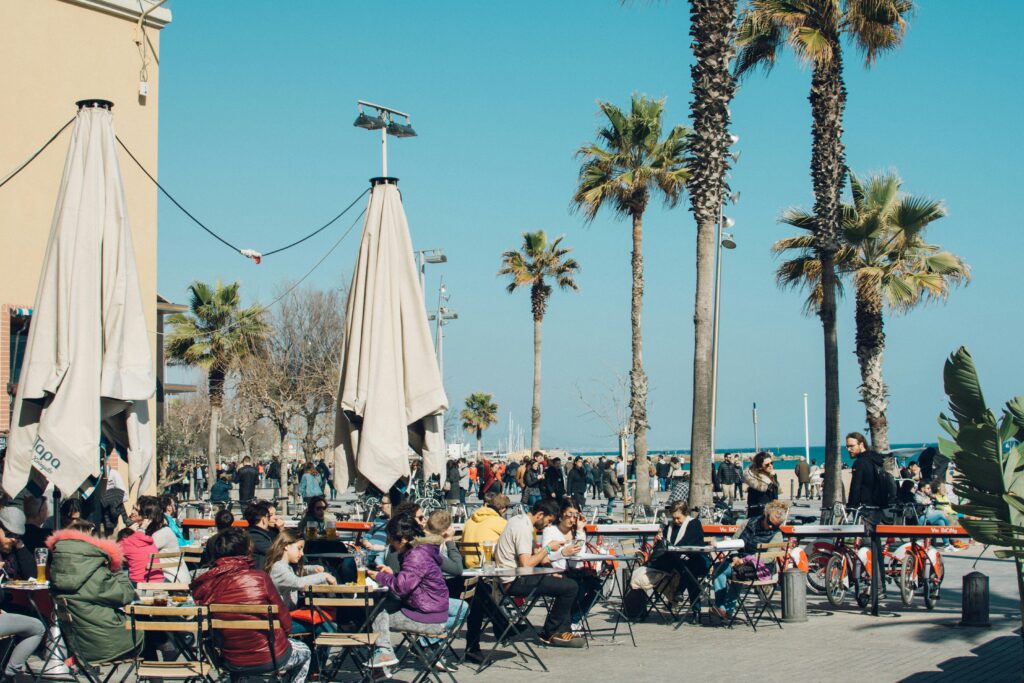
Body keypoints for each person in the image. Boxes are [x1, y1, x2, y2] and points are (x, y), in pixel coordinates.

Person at [193, 528, 310, 681]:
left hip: (229, 659)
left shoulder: (208, 582)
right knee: (306, 652)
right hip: (270, 656)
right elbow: (285, 622)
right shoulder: (260, 578)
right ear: (247, 550)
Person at [366, 515, 460, 672]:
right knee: (383, 607)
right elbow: (410, 582)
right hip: (431, 609)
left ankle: (384, 653)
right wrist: (391, 575)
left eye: (391, 537)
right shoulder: (421, 550)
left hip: (428, 617)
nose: (389, 541)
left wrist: (381, 577)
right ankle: (380, 669)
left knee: (376, 611)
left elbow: (402, 588)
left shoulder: (415, 555)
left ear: (402, 538)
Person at [47, 521, 144, 664]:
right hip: (106, 643)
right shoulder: (94, 573)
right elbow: (127, 594)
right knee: (151, 634)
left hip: (79, 644)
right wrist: (115, 568)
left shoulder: (58, 569)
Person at [493, 499, 582, 648]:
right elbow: (526, 564)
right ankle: (551, 631)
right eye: (548, 521)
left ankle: (561, 630)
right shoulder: (524, 528)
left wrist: (551, 569)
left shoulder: (519, 520)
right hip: (514, 581)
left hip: (512, 576)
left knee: (565, 583)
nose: (548, 525)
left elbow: (535, 554)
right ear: (540, 515)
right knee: (571, 587)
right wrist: (547, 548)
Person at [712, 500, 789, 617]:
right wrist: (735, 557)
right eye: (769, 522)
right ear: (765, 515)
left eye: (775, 525)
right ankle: (721, 607)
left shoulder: (776, 534)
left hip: (760, 567)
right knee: (719, 568)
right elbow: (734, 541)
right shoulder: (749, 522)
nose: (770, 526)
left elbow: (768, 558)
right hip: (739, 559)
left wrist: (745, 560)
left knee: (737, 572)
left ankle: (727, 610)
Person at [461, 493, 512, 663]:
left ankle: (502, 626)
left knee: (480, 597)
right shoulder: (499, 522)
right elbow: (515, 541)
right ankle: (502, 626)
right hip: (488, 570)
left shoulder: (470, 520)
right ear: (503, 509)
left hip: (468, 567)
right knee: (485, 595)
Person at [541, 498, 601, 630]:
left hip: (574, 571)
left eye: (576, 515)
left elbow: (580, 553)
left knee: (597, 588)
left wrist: (580, 530)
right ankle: (566, 622)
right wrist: (563, 553)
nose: (572, 519)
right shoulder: (550, 530)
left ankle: (574, 619)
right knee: (577, 587)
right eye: (569, 514)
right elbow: (545, 556)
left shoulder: (576, 531)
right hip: (556, 571)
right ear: (562, 513)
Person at [648, 500, 709, 615]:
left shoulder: (694, 524)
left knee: (691, 568)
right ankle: (695, 611)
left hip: (696, 560)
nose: (676, 521)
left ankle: (680, 592)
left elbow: (687, 542)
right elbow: (666, 545)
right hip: (679, 563)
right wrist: (662, 539)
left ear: (686, 514)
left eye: (678, 518)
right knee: (690, 573)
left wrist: (671, 546)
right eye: (674, 518)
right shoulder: (669, 526)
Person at [266, 529, 336, 626]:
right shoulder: (278, 568)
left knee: (325, 622)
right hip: (281, 623)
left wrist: (312, 569)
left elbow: (296, 572)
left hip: (284, 618)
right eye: (299, 548)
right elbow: (297, 582)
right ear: (286, 546)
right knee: (328, 625)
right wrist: (324, 576)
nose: (302, 553)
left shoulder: (283, 566)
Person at [140, 496, 186, 583]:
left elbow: (140, 553)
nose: (132, 513)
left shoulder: (161, 533)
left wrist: (140, 530)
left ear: (148, 518)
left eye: (137, 511)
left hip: (173, 579)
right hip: (165, 575)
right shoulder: (158, 531)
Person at [846, 432, 889, 515]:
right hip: (880, 508)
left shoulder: (860, 463)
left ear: (861, 445)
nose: (848, 449)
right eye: (847, 446)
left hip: (865, 509)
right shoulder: (876, 460)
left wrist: (850, 507)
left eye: (852, 446)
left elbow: (855, 487)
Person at [244, 500, 283, 570]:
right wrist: (282, 530)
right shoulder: (256, 536)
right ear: (263, 519)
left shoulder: (260, 533)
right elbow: (278, 553)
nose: (275, 518)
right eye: (269, 516)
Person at [0, 507, 34, 580]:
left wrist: (21, 548)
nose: (13, 539)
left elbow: (31, 578)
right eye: (9, 534)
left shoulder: (15, 549)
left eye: (17, 535)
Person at [743, 452, 779, 518]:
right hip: (760, 516)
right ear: (760, 466)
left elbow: (775, 497)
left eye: (771, 463)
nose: (770, 465)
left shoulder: (772, 475)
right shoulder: (757, 483)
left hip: (771, 514)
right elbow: (752, 506)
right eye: (767, 464)